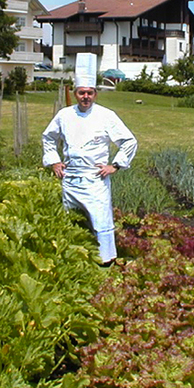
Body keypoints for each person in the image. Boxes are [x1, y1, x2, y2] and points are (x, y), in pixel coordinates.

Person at [42, 78, 137, 266]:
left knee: (100, 222)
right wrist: (54, 161)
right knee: (72, 222)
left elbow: (129, 141)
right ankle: (74, 261)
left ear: (95, 94)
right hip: (70, 178)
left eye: (90, 93)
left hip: (95, 180)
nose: (86, 97)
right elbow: (48, 138)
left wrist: (115, 165)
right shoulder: (64, 115)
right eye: (81, 92)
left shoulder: (106, 115)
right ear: (75, 93)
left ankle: (105, 262)